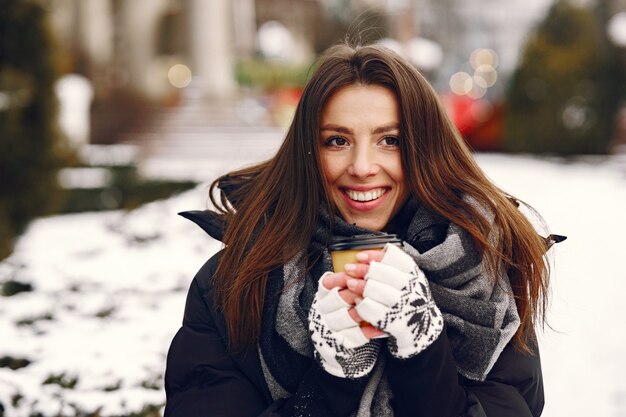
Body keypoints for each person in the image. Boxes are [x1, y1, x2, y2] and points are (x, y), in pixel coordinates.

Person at [164, 43, 562, 417]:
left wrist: (424, 354)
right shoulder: (232, 283)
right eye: (337, 141)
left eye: (390, 140)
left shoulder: (488, 277)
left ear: (426, 151)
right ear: (307, 153)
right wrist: (331, 385)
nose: (362, 166)